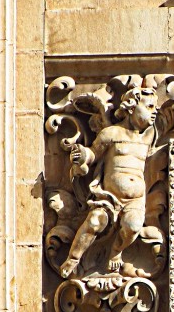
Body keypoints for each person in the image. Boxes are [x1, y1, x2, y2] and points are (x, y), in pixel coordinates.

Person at [60, 85, 159, 277]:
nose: (154, 113)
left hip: (135, 201)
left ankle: (116, 252)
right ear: (131, 107)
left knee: (133, 227)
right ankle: (73, 258)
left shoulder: (147, 138)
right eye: (149, 107)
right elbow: (93, 154)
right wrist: (82, 155)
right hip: (109, 197)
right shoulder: (112, 133)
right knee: (95, 221)